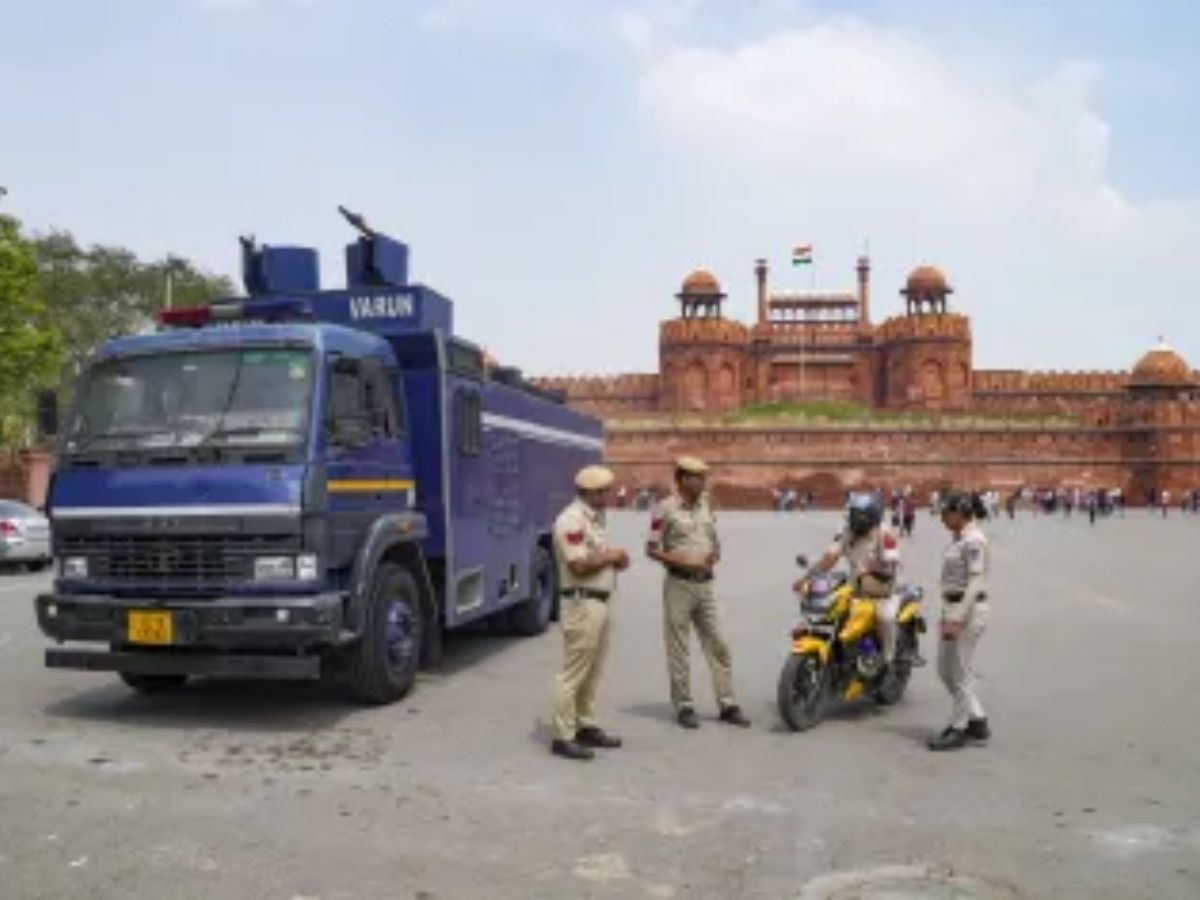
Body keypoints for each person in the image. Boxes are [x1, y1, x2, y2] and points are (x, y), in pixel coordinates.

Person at [646, 457, 750, 730]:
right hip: (678, 584)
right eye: (696, 477)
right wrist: (684, 561)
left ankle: (727, 703)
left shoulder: (707, 504)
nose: (702, 482)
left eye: (703, 477)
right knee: (678, 647)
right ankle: (684, 705)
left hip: (706, 584)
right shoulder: (664, 509)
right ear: (681, 479)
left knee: (719, 643)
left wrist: (714, 554)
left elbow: (712, 537)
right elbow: (651, 549)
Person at [549, 465, 629, 761]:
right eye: (603, 491)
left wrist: (615, 561)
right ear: (590, 492)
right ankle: (562, 735)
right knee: (573, 672)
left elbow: (597, 558)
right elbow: (578, 565)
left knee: (592, 671)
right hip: (581, 603)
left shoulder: (594, 519)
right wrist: (611, 556)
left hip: (598, 602)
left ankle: (585, 724)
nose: (608, 495)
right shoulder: (572, 520)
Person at [801, 492, 902, 667]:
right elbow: (831, 556)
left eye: (859, 517)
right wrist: (807, 577)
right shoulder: (847, 529)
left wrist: (869, 569)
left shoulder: (886, 534)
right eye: (853, 516)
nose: (855, 521)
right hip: (855, 585)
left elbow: (891, 565)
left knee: (884, 616)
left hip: (881, 587)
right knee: (833, 608)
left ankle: (888, 659)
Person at [928, 491, 991, 751]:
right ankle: (978, 719)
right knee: (945, 669)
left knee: (960, 671)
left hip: (968, 611)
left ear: (959, 513)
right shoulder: (958, 540)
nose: (942, 517)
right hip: (952, 608)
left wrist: (956, 617)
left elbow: (976, 581)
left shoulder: (974, 541)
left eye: (946, 513)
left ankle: (959, 728)